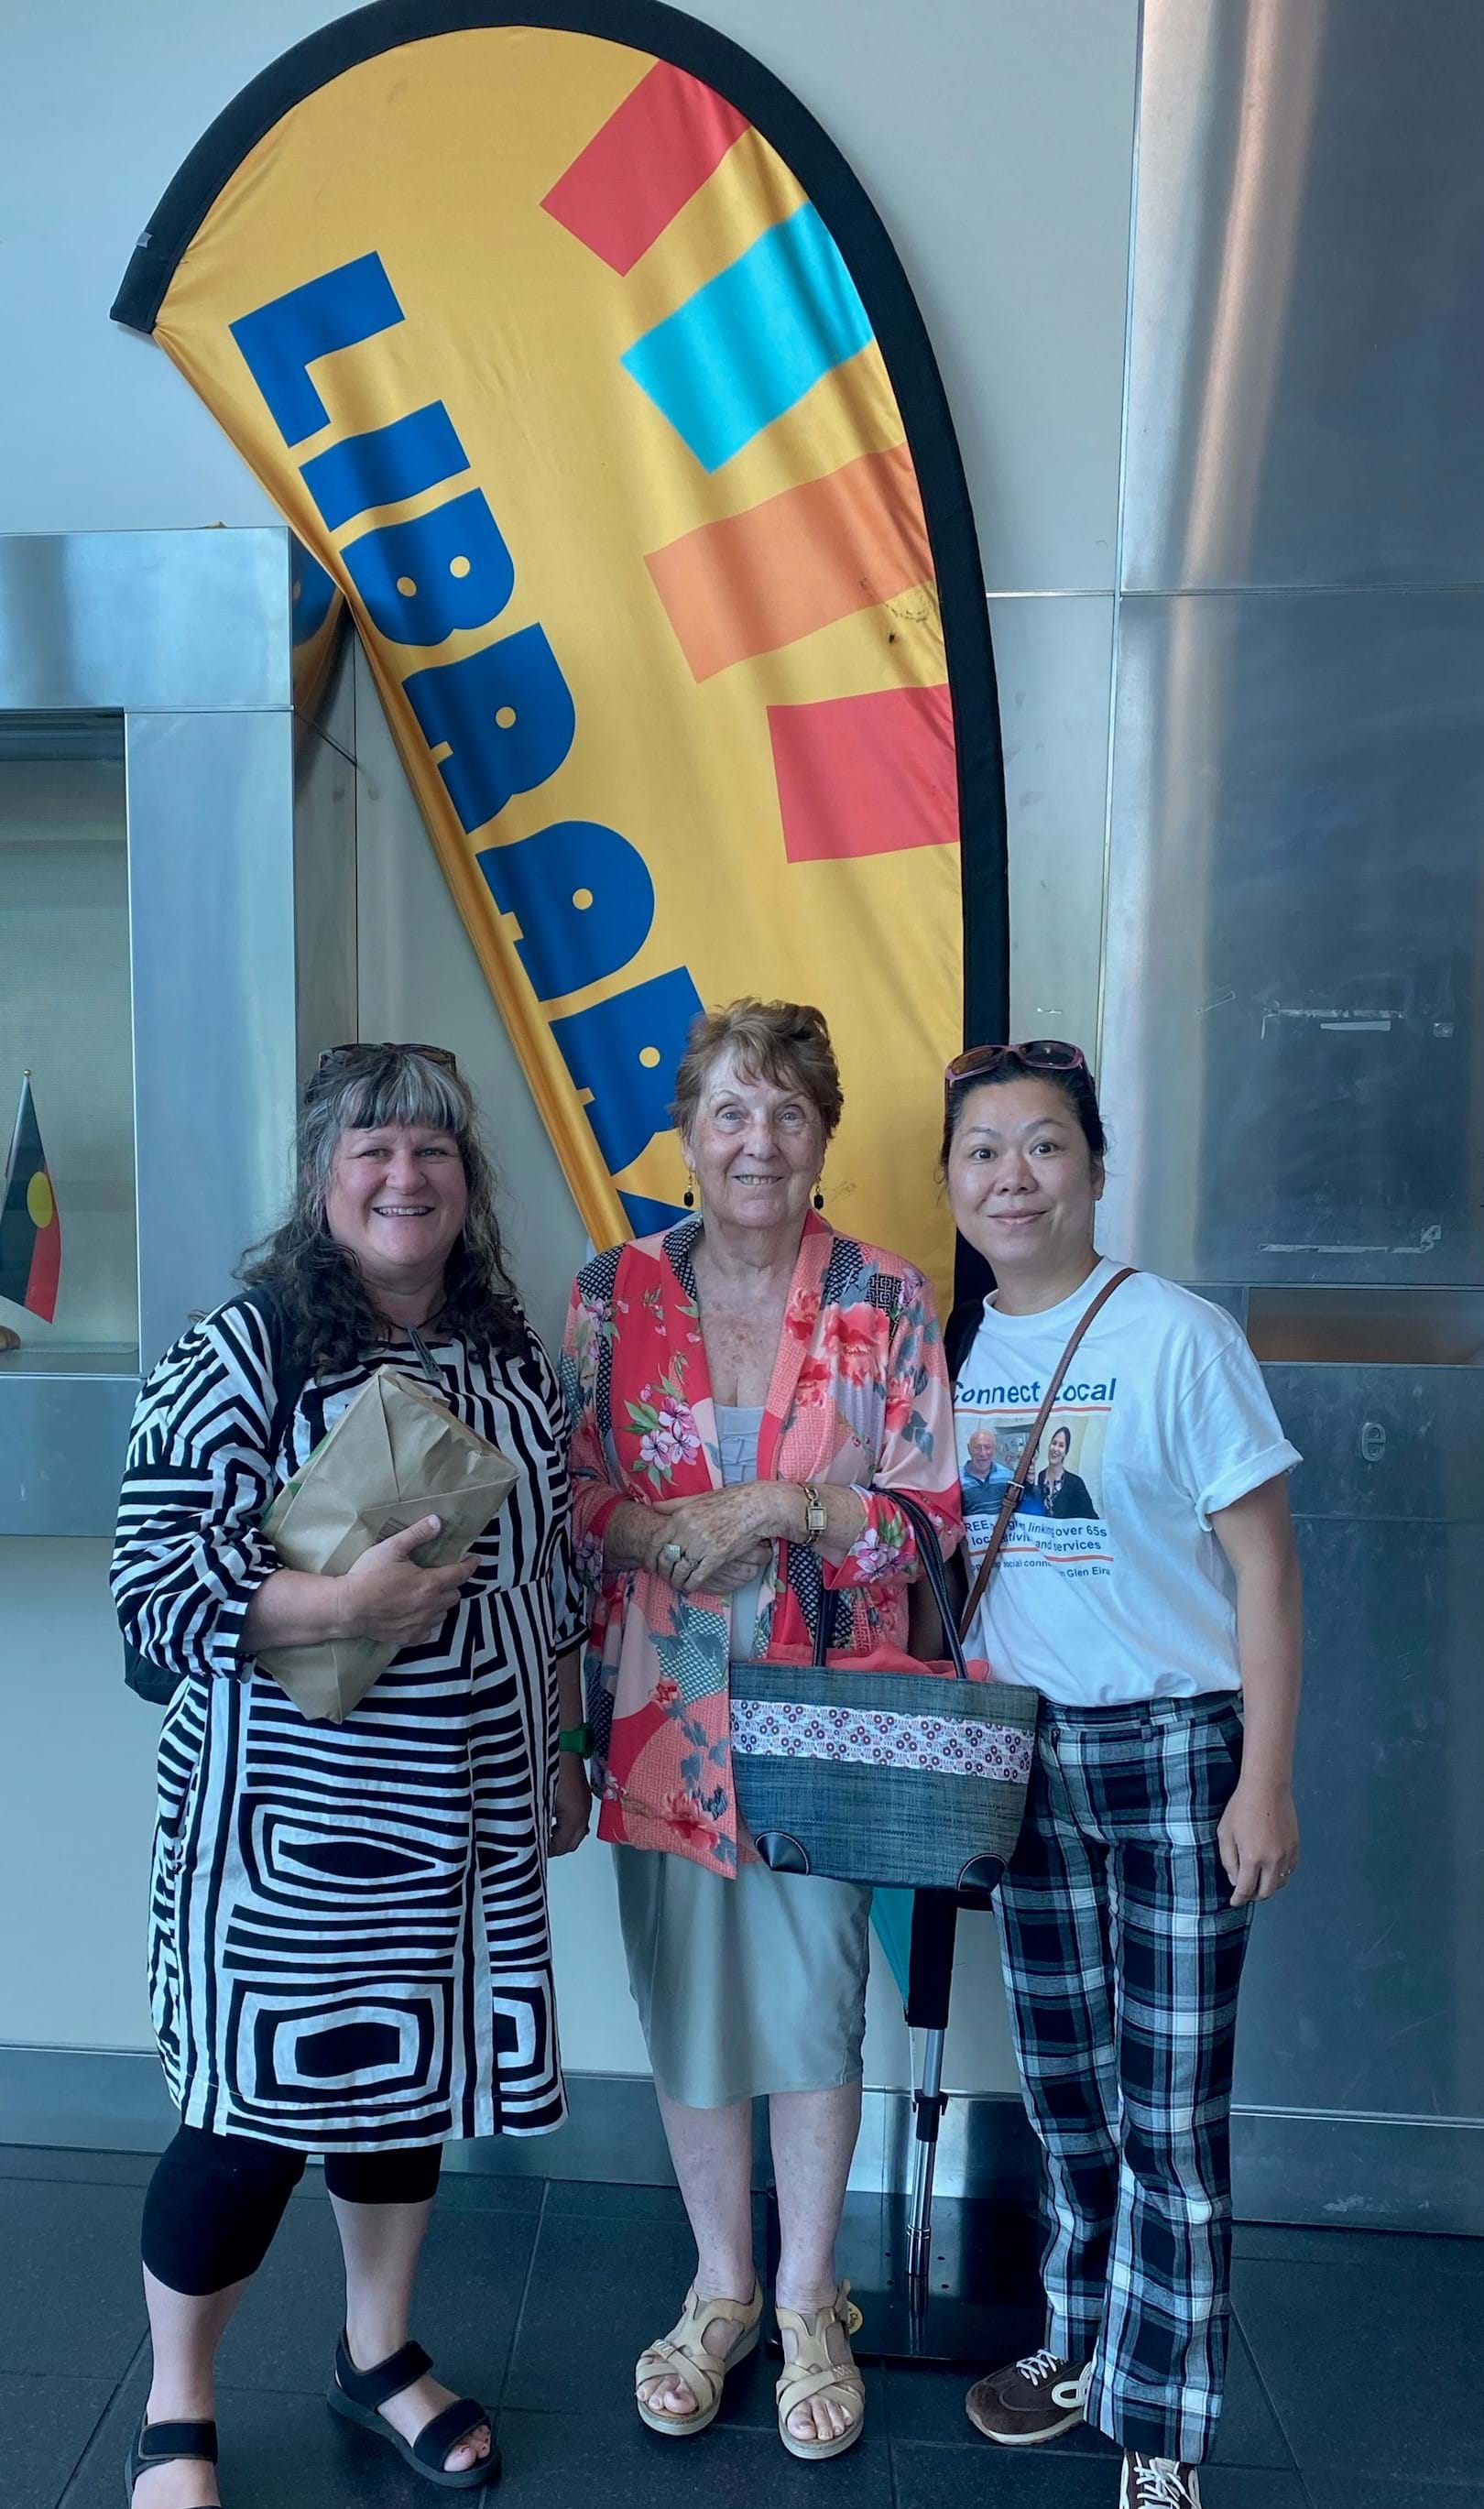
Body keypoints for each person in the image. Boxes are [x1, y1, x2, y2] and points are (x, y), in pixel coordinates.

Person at [111, 1044, 592, 2505]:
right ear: (323, 1174)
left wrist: (563, 1742)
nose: (405, 1174)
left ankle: (377, 2351)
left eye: (433, 1148)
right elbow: (149, 1590)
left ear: (467, 1179)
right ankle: (175, 2405)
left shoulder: (508, 1351)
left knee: (402, 2089)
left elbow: (553, 1573)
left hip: (463, 1808)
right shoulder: (246, 1345)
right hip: (289, 1830)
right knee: (246, 2121)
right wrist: (333, 1605)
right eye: (373, 1147)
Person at [560, 998, 961, 2463]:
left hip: (822, 1705)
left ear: (821, 1137)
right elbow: (569, 1497)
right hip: (657, 1699)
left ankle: (806, 2299)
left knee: (811, 1999)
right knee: (687, 1998)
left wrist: (785, 1506)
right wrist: (659, 1531)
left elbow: (930, 1516)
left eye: (789, 1111)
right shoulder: (609, 1294)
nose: (758, 1139)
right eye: (730, 1109)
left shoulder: (883, 1292)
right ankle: (719, 2285)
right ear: (686, 1134)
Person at [939, 1040, 1303, 2509]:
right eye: (982, 1149)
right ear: (950, 1179)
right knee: (1069, 2096)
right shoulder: (954, 1350)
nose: (1012, 1175)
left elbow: (1268, 1569)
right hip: (1025, 1754)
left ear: (1094, 1167)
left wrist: (1264, 1777)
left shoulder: (1176, 1334)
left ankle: (1165, 2419)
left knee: (1171, 2114)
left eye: (1043, 1144)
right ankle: (1080, 2338)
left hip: (1174, 1752)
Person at [1033, 1421, 1098, 1519]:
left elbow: (1092, 1517)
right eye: (1054, 1443)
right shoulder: (1041, 1476)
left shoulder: (1076, 1483)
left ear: (1065, 1452)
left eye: (1061, 1445)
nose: (1055, 1449)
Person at [959, 1424, 1016, 1513]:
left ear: (994, 1449)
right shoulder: (957, 1480)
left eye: (988, 1447)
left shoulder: (1009, 1476)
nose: (983, 1453)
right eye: (977, 1448)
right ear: (969, 1449)